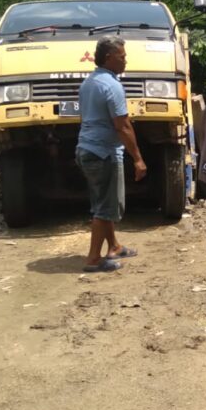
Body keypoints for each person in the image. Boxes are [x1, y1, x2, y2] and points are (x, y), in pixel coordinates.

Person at [75, 36, 147, 272]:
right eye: (122, 56)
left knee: (101, 202)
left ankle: (114, 246)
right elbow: (123, 125)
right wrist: (137, 158)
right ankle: (94, 259)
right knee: (105, 208)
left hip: (85, 149)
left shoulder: (89, 82)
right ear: (109, 57)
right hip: (103, 153)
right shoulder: (112, 85)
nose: (126, 61)